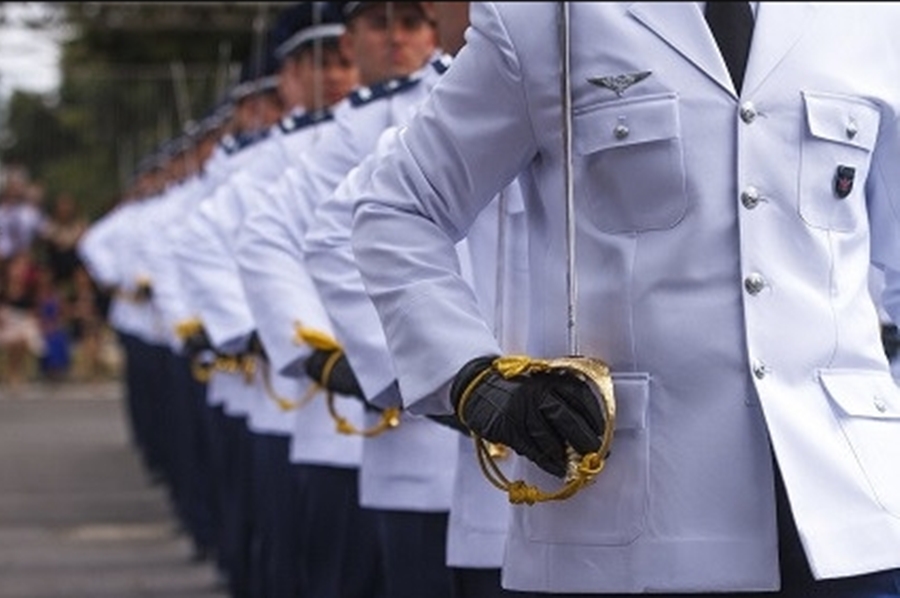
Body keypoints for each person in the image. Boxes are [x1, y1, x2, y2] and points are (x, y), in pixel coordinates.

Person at [350, 3, 900, 597]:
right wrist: (472, 377)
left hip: (848, 514)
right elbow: (401, 206)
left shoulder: (868, 17)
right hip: (630, 518)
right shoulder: (549, 18)